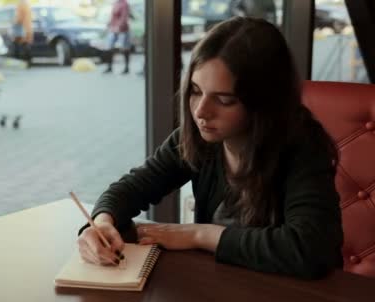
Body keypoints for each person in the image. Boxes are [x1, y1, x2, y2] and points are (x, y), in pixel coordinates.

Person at [78, 17, 343, 279]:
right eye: (195, 90)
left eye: (224, 99)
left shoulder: (303, 147)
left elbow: (310, 250)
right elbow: (132, 188)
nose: (201, 111)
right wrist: (101, 223)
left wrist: (199, 234)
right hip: (221, 290)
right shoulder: (199, 138)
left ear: (263, 103)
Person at [103, 0, 132, 74]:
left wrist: (119, 26)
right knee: (109, 47)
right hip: (113, 28)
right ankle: (109, 67)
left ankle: (126, 67)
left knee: (125, 48)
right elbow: (112, 16)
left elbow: (124, 16)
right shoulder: (115, 3)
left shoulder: (124, 4)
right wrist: (109, 24)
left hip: (123, 29)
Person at [12, 0, 33, 66]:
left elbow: (19, 18)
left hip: (21, 28)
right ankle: (28, 62)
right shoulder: (28, 4)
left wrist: (14, 22)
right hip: (28, 28)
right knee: (26, 45)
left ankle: (18, 63)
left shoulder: (20, 4)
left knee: (17, 45)